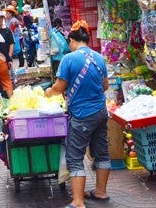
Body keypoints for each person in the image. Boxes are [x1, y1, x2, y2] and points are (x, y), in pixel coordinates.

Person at [45, 22, 111, 208]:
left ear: (72, 40)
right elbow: (105, 86)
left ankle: (78, 202)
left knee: (74, 157)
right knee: (102, 152)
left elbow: (59, 88)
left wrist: (49, 92)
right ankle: (100, 192)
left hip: (82, 115)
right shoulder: (99, 58)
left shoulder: (69, 59)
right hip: (100, 112)